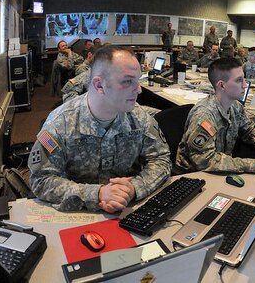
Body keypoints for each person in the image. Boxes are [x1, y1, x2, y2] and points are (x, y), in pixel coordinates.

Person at [29, 46, 171, 213]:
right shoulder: (61, 123)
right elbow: (40, 180)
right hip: (77, 213)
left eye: (137, 80)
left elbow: (161, 159)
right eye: (127, 81)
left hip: (127, 209)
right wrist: (97, 194)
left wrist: (133, 188)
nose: (138, 89)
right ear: (99, 85)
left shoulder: (139, 117)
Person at [176, 58, 255, 175]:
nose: (244, 85)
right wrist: (254, 165)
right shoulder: (204, 116)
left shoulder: (235, 106)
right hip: (194, 174)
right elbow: (204, 160)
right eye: (238, 80)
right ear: (222, 86)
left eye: (243, 79)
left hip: (222, 167)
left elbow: (249, 130)